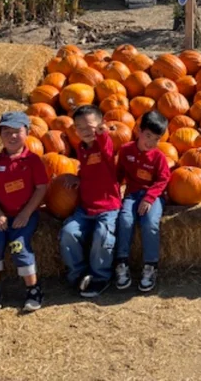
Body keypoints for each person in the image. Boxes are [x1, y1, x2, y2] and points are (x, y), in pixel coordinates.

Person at [0, 112, 48, 312]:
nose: (12, 136)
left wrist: (26, 213)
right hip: (1, 215)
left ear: (27, 132)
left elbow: (41, 188)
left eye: (17, 132)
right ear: (0, 135)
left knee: (19, 246)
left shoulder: (33, 161)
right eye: (7, 132)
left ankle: (33, 290)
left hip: (24, 215)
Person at [59, 105, 121, 298]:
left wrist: (102, 134)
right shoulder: (81, 148)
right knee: (68, 233)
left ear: (100, 126)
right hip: (85, 208)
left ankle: (100, 276)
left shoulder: (105, 144)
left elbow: (106, 149)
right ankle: (78, 275)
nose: (86, 132)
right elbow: (89, 171)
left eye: (90, 127)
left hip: (108, 207)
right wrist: (78, 178)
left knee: (103, 236)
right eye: (80, 128)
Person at [114, 110, 171, 293]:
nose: (150, 142)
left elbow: (163, 180)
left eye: (156, 139)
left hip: (153, 196)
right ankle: (121, 262)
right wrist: (114, 192)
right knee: (125, 220)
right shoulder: (125, 150)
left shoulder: (159, 157)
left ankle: (150, 265)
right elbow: (119, 174)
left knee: (150, 223)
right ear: (139, 131)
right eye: (148, 136)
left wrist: (149, 198)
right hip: (132, 194)